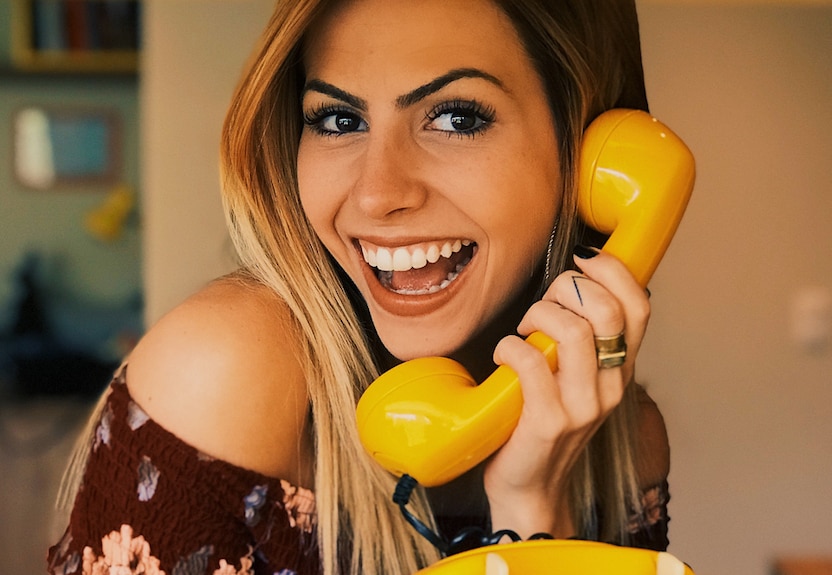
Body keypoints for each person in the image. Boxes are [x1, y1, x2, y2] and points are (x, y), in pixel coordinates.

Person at [47, 1, 672, 574]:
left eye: (455, 117)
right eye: (339, 119)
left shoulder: (624, 448)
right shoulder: (228, 373)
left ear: (589, 154)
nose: (376, 193)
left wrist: (533, 514)